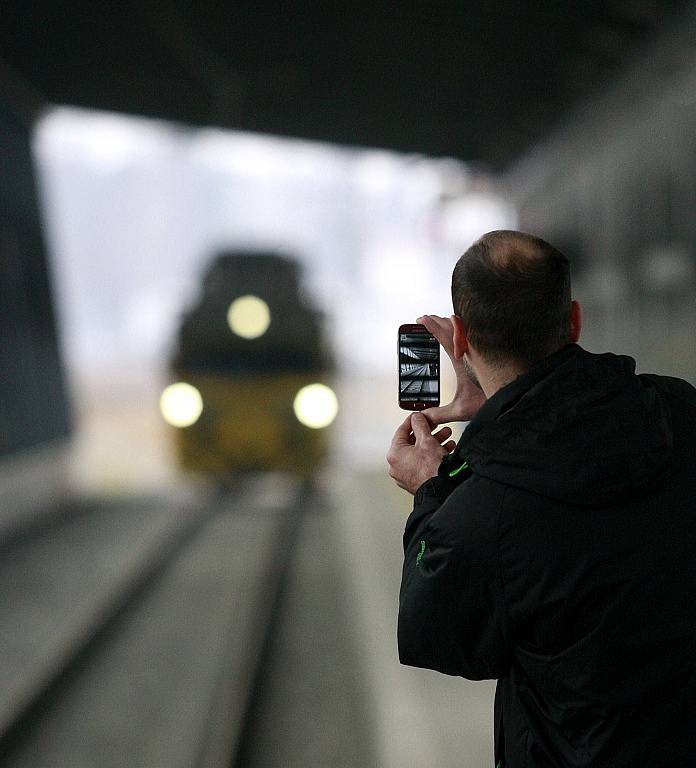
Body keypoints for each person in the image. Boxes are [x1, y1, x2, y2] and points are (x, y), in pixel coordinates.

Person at [387, 230, 696, 767]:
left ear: (459, 339)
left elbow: (434, 633)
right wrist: (498, 410)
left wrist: (431, 488)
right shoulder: (679, 412)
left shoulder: (482, 512)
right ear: (573, 320)